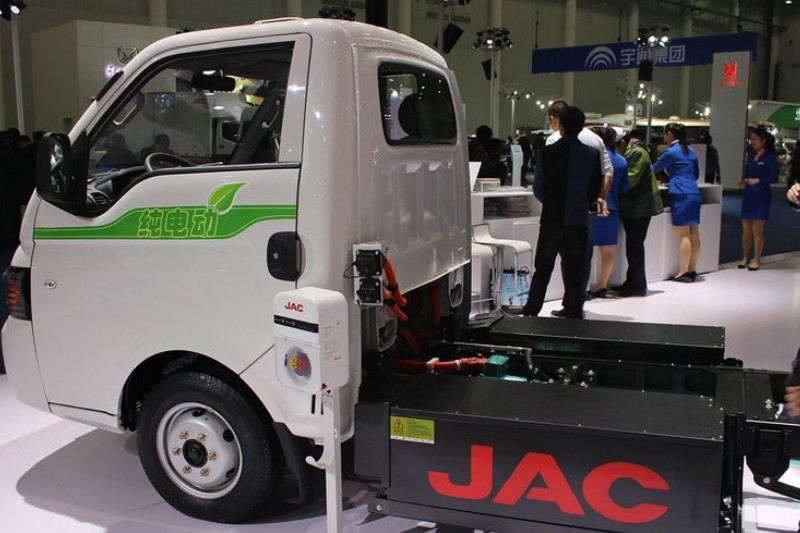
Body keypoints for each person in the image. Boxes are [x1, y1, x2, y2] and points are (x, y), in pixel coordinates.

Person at [521, 106, 603, 319]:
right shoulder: (592, 154)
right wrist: (581, 203)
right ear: (581, 127)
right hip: (578, 220)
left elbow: (538, 188)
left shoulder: (546, 153)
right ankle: (573, 311)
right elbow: (595, 190)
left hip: (552, 219)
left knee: (542, 269)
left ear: (561, 126)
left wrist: (552, 203)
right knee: (575, 270)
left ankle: (532, 311)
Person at [615, 128, 664, 297]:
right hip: (635, 207)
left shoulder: (637, 153)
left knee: (635, 247)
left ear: (623, 142)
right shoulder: (636, 152)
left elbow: (630, 179)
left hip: (639, 208)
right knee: (634, 246)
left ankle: (637, 285)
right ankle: (633, 282)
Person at [652, 122, 701, 283]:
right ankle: (692, 270)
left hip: (680, 193)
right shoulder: (691, 151)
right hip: (694, 192)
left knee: (684, 235)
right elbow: (696, 174)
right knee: (694, 233)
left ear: (670, 134)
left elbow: (653, 168)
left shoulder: (671, 152)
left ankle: (683, 272)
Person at [589, 127, 629, 298]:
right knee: (607, 251)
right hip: (612, 208)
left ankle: (584, 288)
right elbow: (624, 187)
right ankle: (602, 286)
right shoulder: (621, 161)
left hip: (592, 206)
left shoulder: (593, 157)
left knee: (585, 251)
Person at [738, 127, 779, 271]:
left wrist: (759, 180)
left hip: (762, 196)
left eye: (755, 139)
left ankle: (756, 259)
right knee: (746, 229)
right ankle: (745, 257)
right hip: (749, 195)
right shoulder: (750, 156)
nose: (753, 142)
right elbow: (749, 174)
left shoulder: (769, 157)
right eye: (752, 139)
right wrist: (745, 182)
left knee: (757, 230)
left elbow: (774, 178)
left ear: (763, 140)